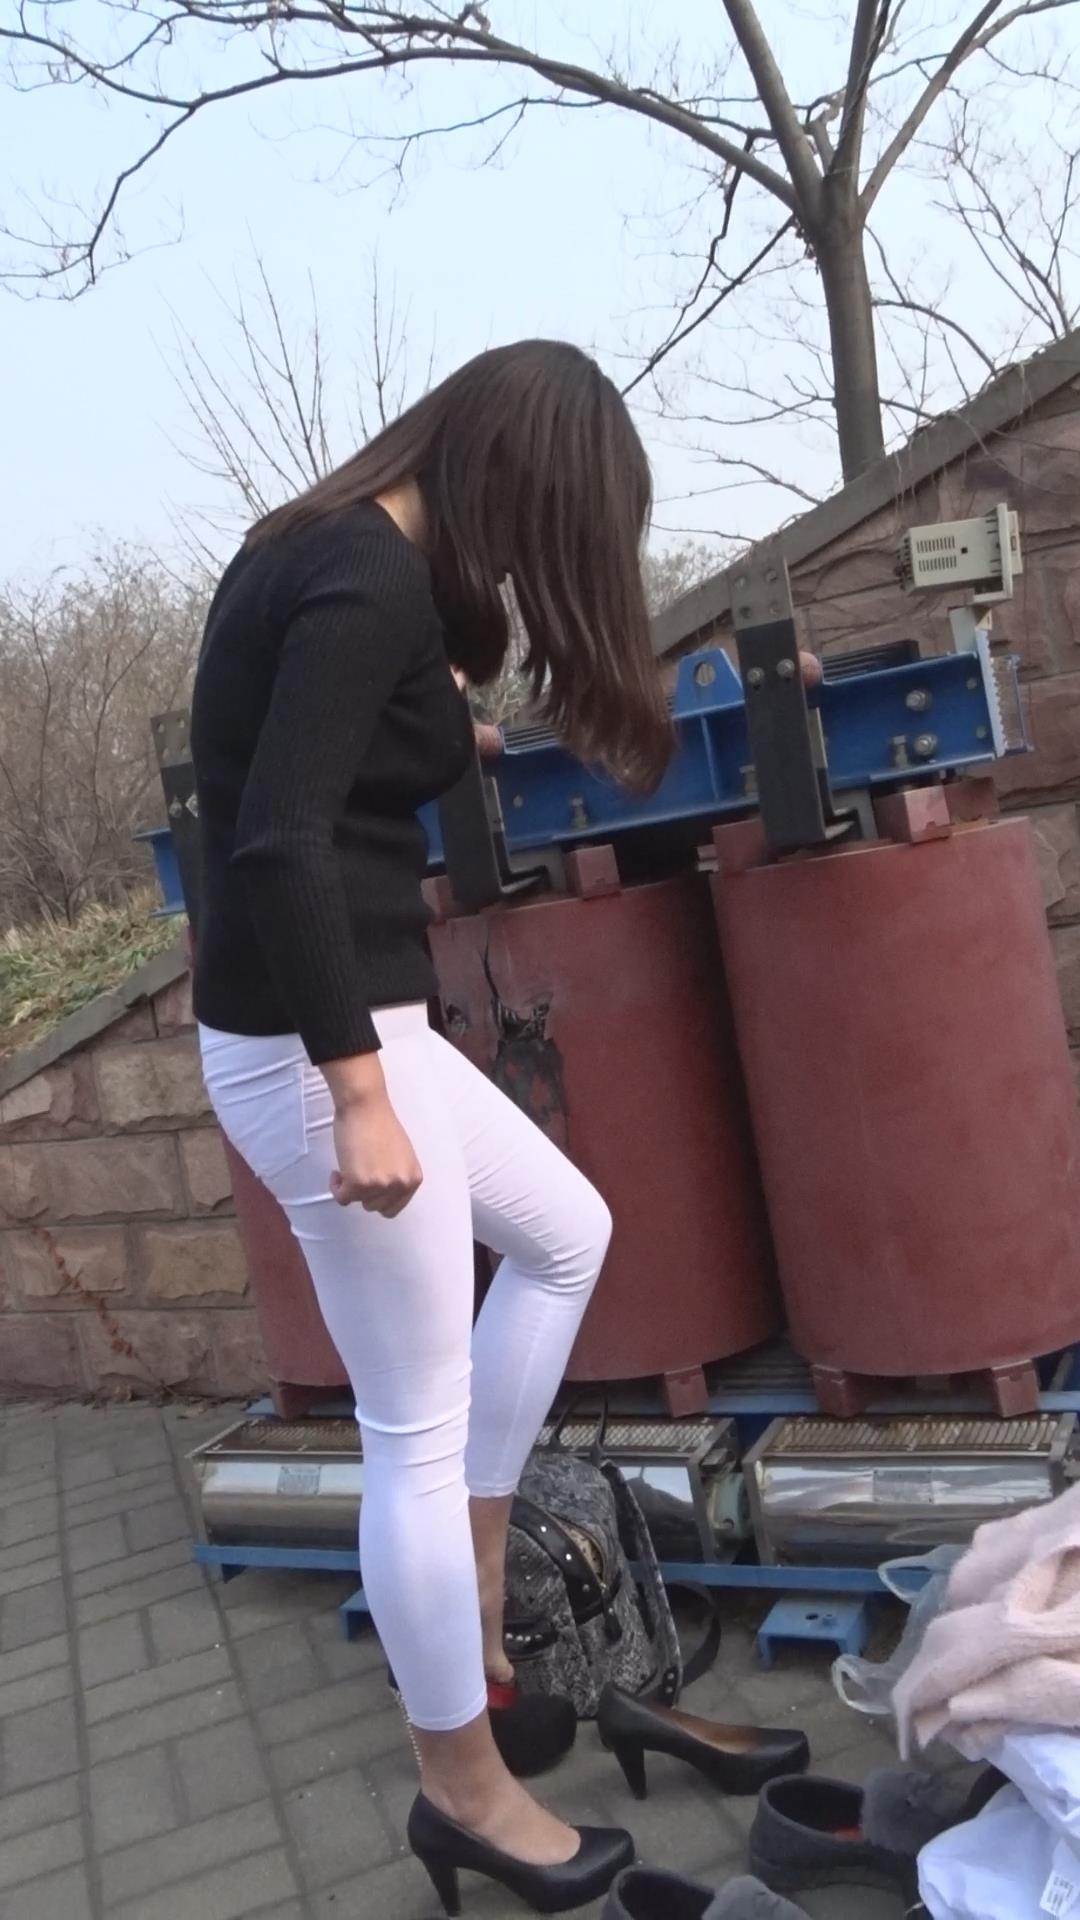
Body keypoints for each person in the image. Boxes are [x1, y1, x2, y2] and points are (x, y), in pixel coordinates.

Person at [189, 341, 672, 1915]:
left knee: (568, 1233)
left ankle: (471, 1553)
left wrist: (436, 731)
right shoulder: (364, 576)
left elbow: (309, 779)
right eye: (551, 532)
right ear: (513, 482)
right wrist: (356, 1094)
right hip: (314, 1048)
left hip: (361, 1026)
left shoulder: (336, 554)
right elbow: (273, 843)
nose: (537, 569)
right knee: (410, 1419)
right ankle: (462, 1790)